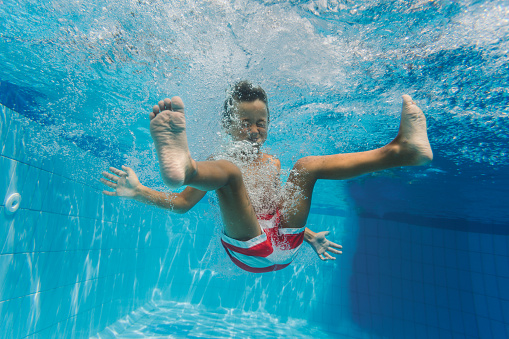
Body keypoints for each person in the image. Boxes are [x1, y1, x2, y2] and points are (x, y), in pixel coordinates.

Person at [101, 81, 432, 273]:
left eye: (261, 122)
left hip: (287, 245)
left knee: (306, 166)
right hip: (249, 252)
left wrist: (311, 236)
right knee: (229, 172)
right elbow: (184, 204)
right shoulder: (219, 160)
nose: (254, 130)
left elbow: (275, 209)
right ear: (228, 125)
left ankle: (401, 152)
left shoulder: (272, 162)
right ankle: (184, 170)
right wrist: (139, 190)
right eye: (245, 122)